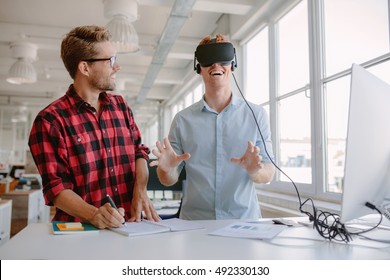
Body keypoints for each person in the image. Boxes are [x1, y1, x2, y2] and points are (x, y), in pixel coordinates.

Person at [28, 25, 159, 229]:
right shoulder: (50, 121)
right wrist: (94, 214)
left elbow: (139, 152)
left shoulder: (121, 107)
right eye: (111, 61)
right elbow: (56, 188)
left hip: (130, 227)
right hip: (81, 233)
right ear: (85, 68)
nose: (117, 67)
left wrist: (140, 188)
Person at [151, 34, 275, 220]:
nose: (216, 66)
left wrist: (255, 171)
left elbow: (269, 172)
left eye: (222, 59)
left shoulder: (256, 115)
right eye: (208, 60)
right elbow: (168, 179)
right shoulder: (182, 120)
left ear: (232, 65)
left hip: (242, 221)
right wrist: (166, 170)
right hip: (195, 223)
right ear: (198, 67)